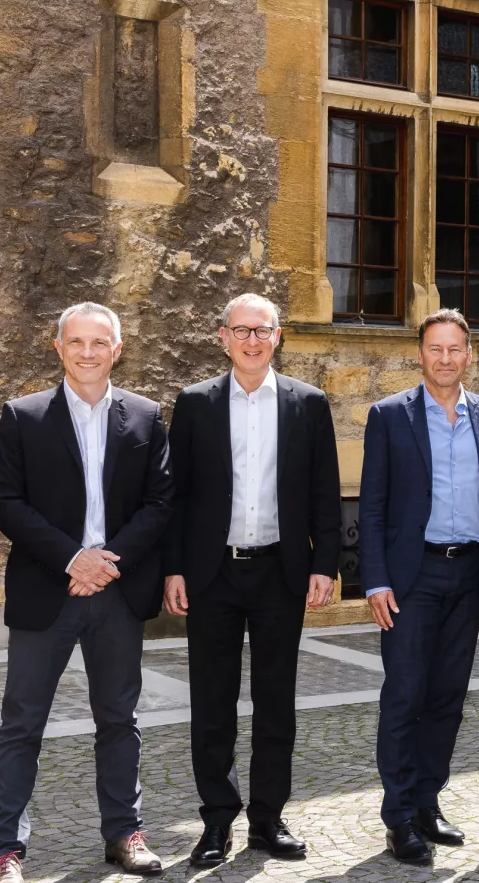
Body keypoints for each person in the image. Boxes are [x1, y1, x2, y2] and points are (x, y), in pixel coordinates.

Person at [0, 302, 173, 882]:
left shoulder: (146, 416)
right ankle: (5, 850)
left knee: (119, 719)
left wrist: (107, 563)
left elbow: (160, 502)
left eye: (99, 342)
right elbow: (5, 501)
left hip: (116, 592)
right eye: (77, 342)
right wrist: (73, 558)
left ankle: (124, 833)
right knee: (22, 723)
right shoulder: (23, 416)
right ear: (58, 347)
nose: (88, 352)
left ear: (117, 350)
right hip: (47, 589)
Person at [163, 294, 342, 866]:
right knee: (212, 703)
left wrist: (324, 563)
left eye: (262, 330)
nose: (252, 340)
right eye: (241, 330)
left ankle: (267, 819)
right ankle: (217, 820)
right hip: (212, 572)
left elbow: (324, 490)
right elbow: (175, 495)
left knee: (275, 703)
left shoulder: (307, 403)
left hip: (280, 571)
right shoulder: (195, 403)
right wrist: (174, 567)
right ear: (223, 337)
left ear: (277, 336)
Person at [359, 308, 479, 865]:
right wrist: (375, 580)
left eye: (454, 349)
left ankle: (427, 801)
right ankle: (398, 816)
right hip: (410, 577)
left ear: (469, 354)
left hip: (467, 574)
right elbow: (372, 506)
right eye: (435, 348)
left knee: (447, 697)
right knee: (404, 694)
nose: (445, 359)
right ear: (420, 354)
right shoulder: (388, 415)